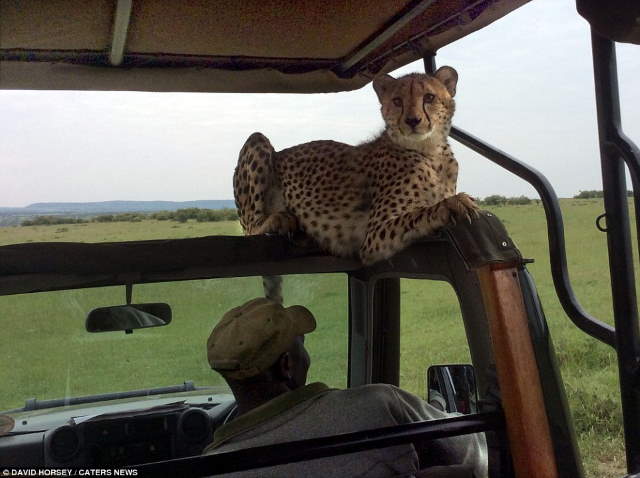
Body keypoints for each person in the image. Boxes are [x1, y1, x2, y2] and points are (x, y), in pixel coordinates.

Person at [203, 298, 487, 478]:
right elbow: (478, 456)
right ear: (286, 366)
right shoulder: (376, 405)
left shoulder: (210, 467)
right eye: (302, 345)